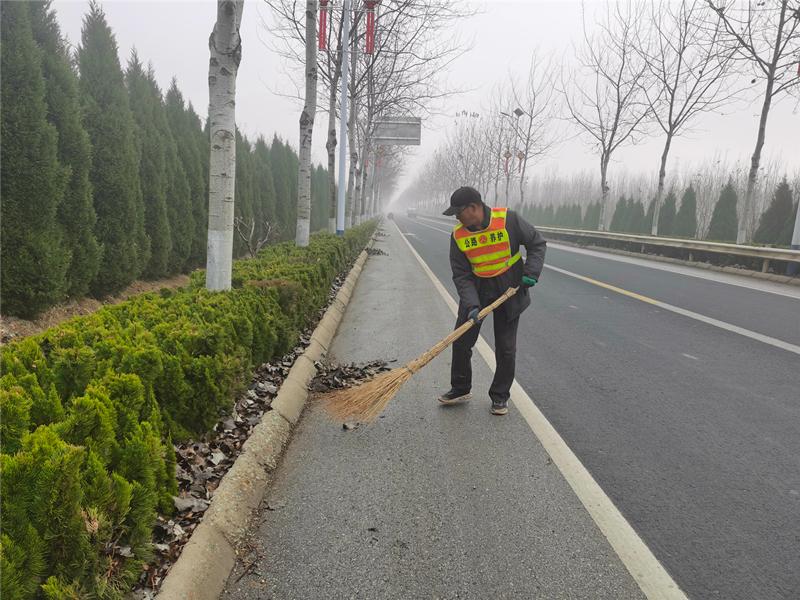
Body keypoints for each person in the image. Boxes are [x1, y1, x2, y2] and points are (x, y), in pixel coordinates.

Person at [438, 186, 546, 415]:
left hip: (510, 286)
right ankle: (460, 388)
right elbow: (461, 274)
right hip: (478, 287)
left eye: (459, 213)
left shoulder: (509, 220)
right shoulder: (458, 236)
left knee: (506, 347)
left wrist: (531, 272)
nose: (457, 218)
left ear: (474, 208)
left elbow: (537, 243)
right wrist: (472, 304)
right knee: (462, 340)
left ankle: (499, 396)